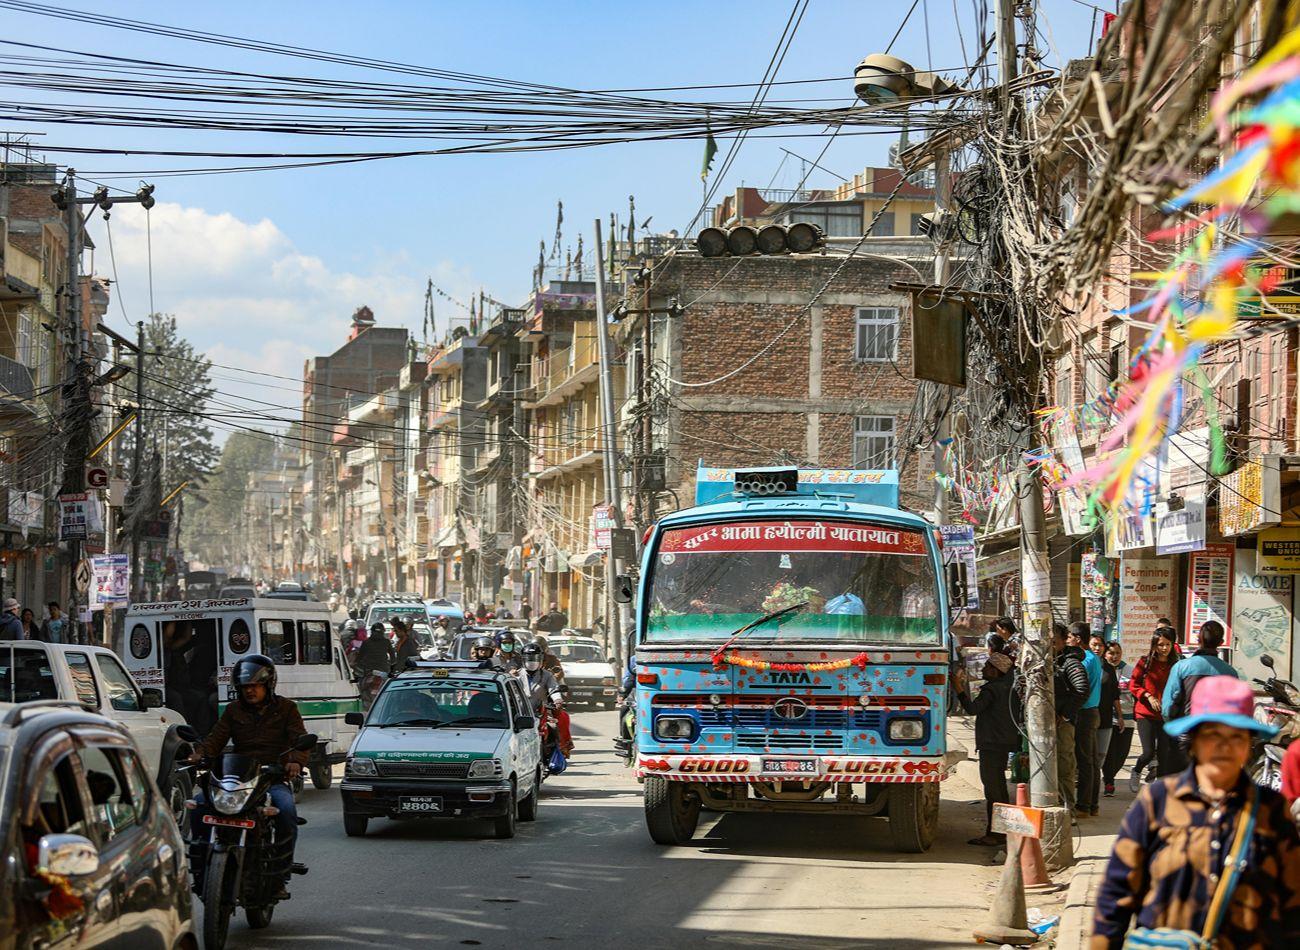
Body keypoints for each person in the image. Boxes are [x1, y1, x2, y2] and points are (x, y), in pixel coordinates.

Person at [1091, 676, 1300, 948]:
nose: (1224, 747)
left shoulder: (1270, 810)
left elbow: (1293, 904)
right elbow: (1116, 895)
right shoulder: (1157, 801)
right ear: (1194, 739)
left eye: (1236, 737)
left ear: (1248, 744)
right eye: (1213, 734)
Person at [188, 654, 308, 897]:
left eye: (255, 686)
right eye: (245, 687)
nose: (250, 691)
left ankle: (279, 876)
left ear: (268, 685)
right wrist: (198, 754)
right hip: (240, 778)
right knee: (200, 806)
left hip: (270, 778)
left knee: (286, 810)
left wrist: (295, 761)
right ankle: (201, 870)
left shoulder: (287, 709)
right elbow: (216, 738)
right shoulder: (233, 711)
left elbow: (300, 740)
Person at [955, 651, 1023, 846]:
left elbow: (972, 709)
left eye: (987, 667)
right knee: (999, 789)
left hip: (992, 745)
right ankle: (1002, 831)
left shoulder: (991, 690)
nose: (984, 669)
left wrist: (958, 687)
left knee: (993, 790)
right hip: (1003, 743)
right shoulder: (1009, 689)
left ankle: (995, 834)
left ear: (996, 671)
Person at [1129, 627, 1180, 788]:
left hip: (1166, 715)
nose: (1164, 648)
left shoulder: (1177, 665)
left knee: (1164, 754)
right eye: (1160, 644)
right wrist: (1148, 696)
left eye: (1167, 644)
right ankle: (1137, 770)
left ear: (1172, 645)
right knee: (1149, 752)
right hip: (1145, 713)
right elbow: (1133, 684)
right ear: (1154, 645)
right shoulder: (1145, 663)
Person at [1163, 620, 1239, 721]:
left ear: (1198, 639)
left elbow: (1167, 707)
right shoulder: (1231, 673)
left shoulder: (1181, 667)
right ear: (1221, 643)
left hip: (1187, 730)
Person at [1052, 622, 1090, 813]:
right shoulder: (1048, 660)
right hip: (1043, 724)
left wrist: (1065, 715)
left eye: (1054, 641)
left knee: (1064, 766)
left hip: (1062, 725)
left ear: (1063, 641)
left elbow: (1082, 690)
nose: (1050, 646)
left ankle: (1068, 808)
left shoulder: (1070, 661)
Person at [1070, 622, 1104, 819]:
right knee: (1090, 761)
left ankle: (1084, 805)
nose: (1068, 640)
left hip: (1084, 713)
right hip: (1092, 711)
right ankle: (1092, 804)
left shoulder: (1085, 660)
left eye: (1070, 637)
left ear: (1077, 639)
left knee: (1085, 761)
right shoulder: (1094, 658)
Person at [521, 643, 573, 755]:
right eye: (529, 658)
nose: (532, 662)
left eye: (535, 658)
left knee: (553, 727)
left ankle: (554, 753)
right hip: (521, 713)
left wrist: (557, 700)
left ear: (540, 660)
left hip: (541, 712)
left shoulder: (547, 675)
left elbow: (553, 689)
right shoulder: (516, 675)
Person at [1098, 639, 1129, 798]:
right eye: (1111, 653)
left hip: (1125, 718)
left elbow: (1118, 695)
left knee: (1122, 753)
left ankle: (1109, 776)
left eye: (1117, 653)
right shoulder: (1101, 669)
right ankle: (1109, 782)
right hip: (1106, 718)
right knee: (1108, 753)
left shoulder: (1127, 670)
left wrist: (1122, 716)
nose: (1114, 656)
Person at [353, 622, 395, 710]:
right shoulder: (386, 642)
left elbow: (360, 657)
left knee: (361, 688)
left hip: (369, 672)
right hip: (383, 671)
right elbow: (393, 656)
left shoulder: (366, 642)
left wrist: (355, 664)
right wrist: (393, 666)